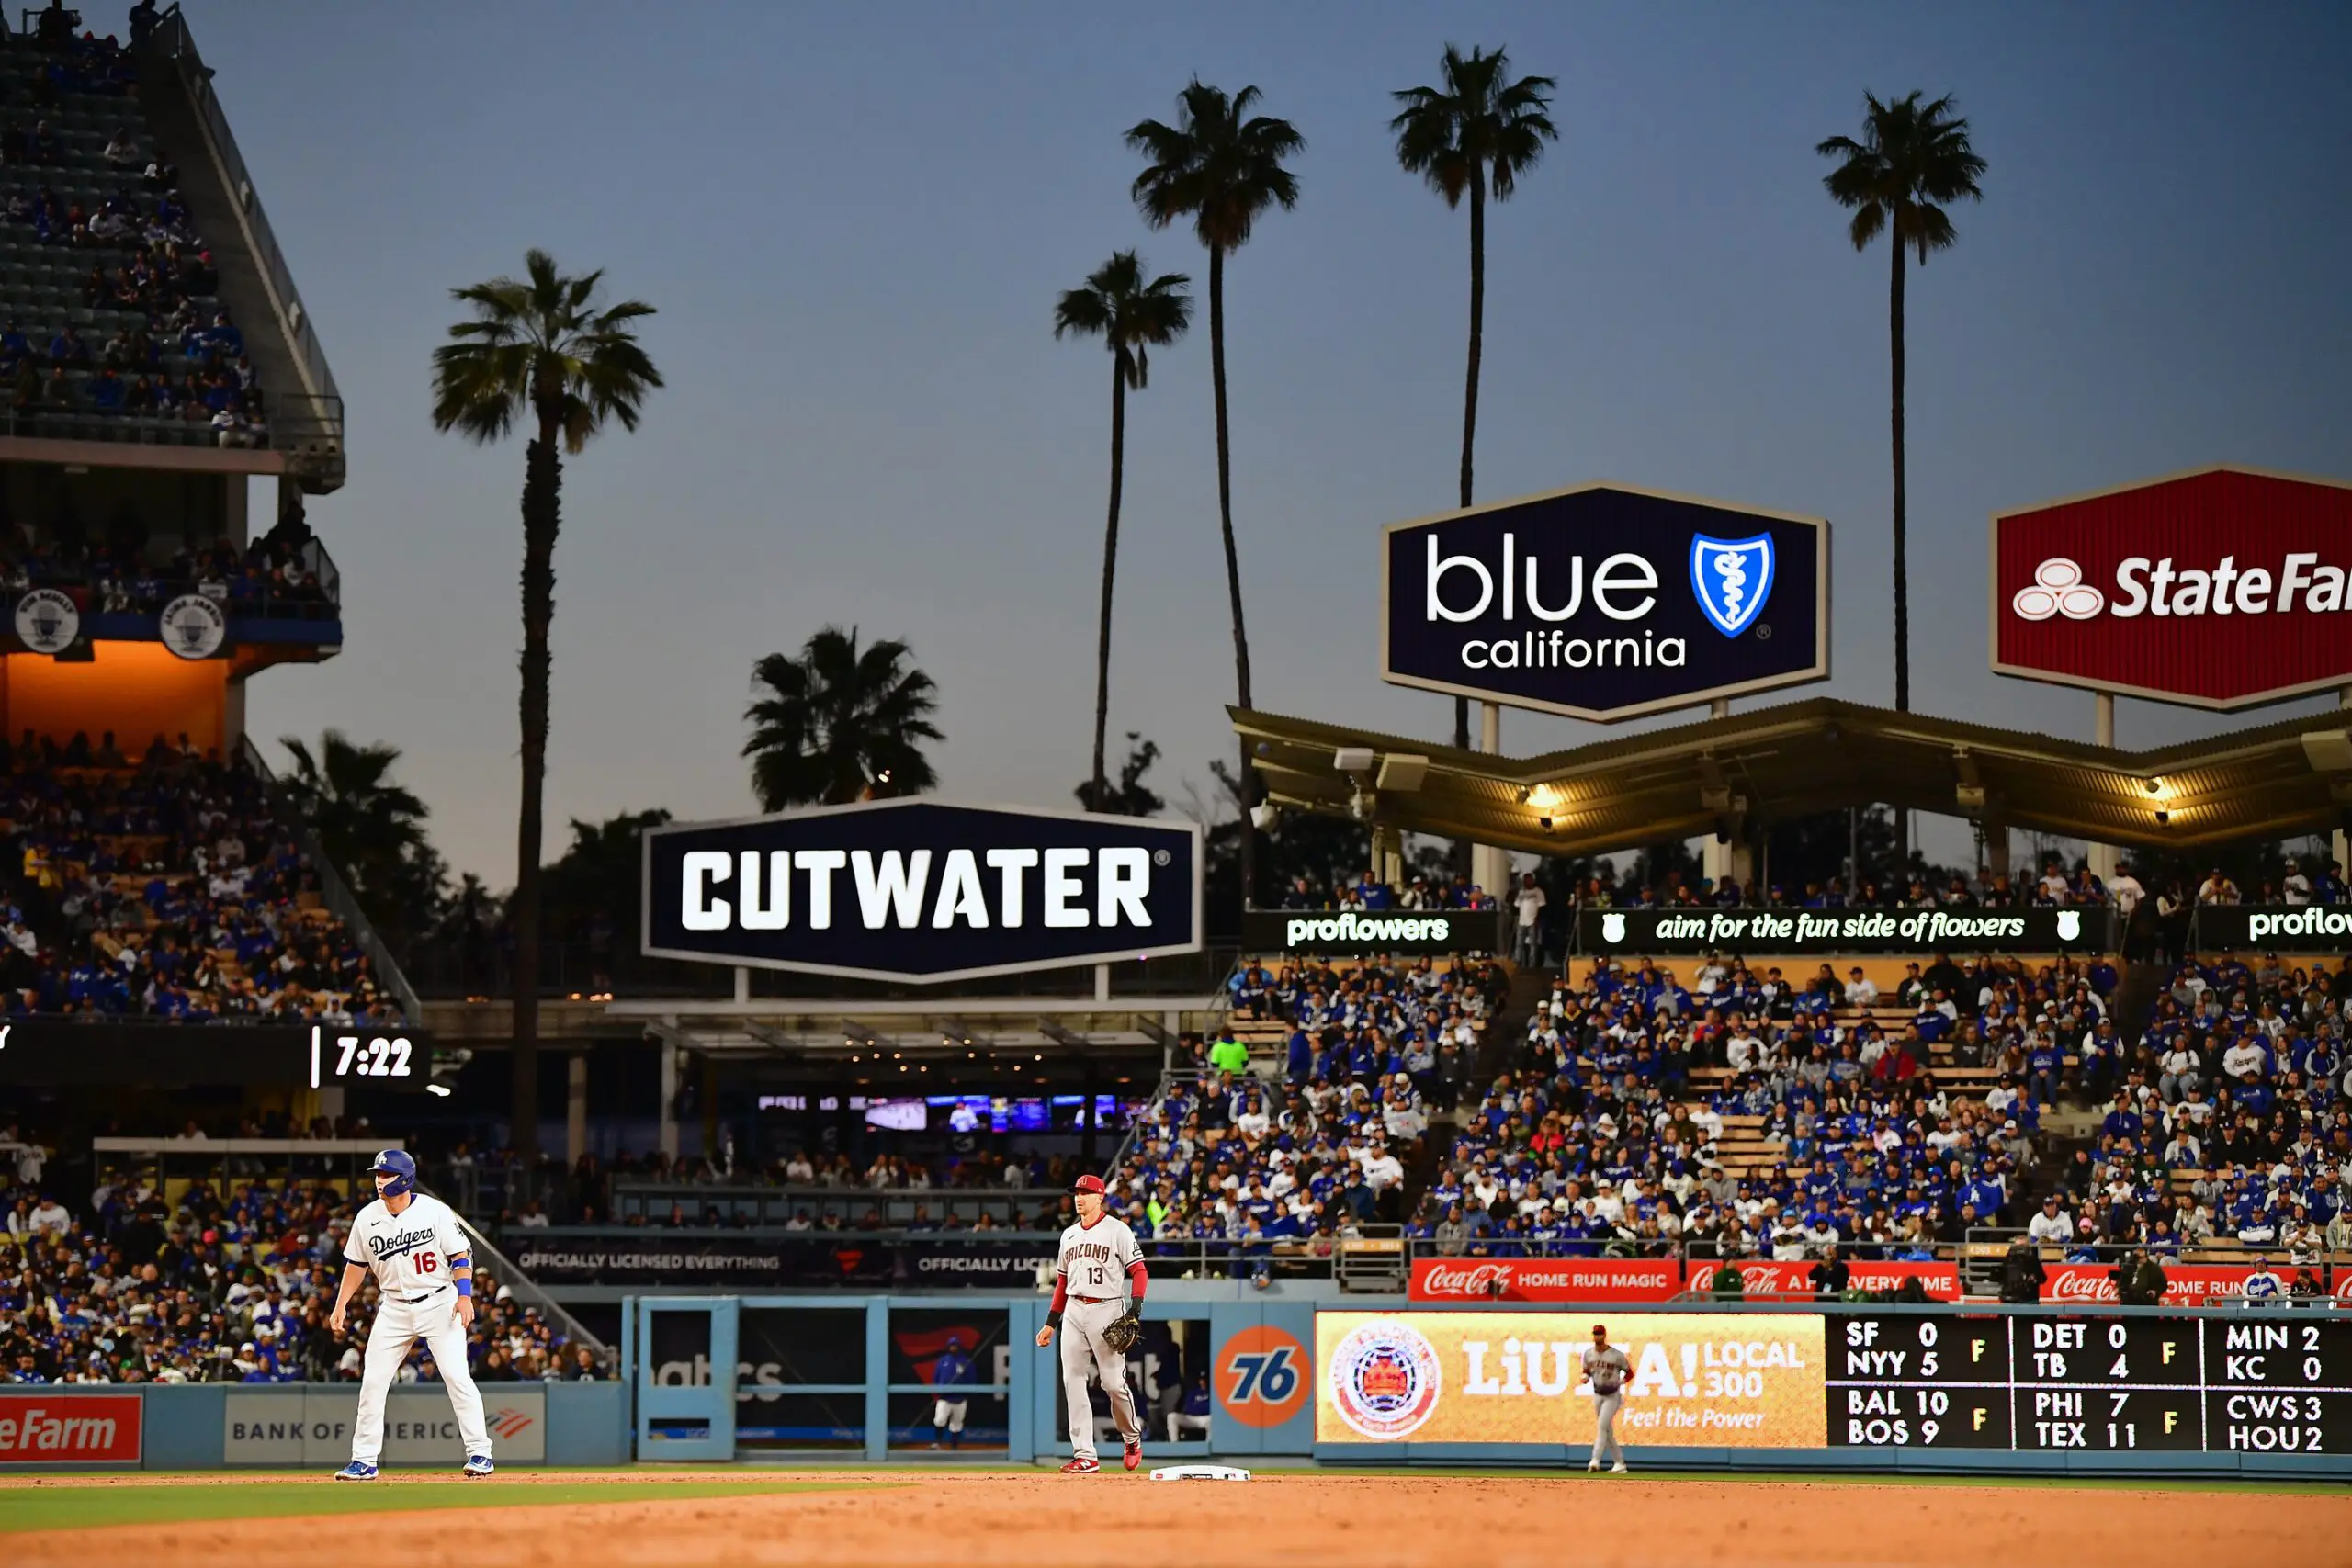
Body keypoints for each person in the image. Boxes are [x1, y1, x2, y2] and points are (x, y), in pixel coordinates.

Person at [326, 1149, 493, 1480]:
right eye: (377, 1174)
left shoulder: (434, 1212)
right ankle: (363, 1460)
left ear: (404, 1179)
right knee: (373, 1382)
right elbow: (356, 1265)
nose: (379, 1180)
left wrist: (464, 1297)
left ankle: (480, 1453)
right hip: (394, 1307)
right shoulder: (367, 1217)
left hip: (439, 1301)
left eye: (385, 1175)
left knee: (457, 1377)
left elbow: (460, 1255)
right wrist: (341, 1303)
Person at [1035, 1174, 1146, 1473]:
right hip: (1073, 1309)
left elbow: (1139, 1271)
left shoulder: (1117, 1230)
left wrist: (1134, 1309)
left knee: (1112, 1384)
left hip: (1106, 1309)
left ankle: (1132, 1437)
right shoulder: (1068, 1235)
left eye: (1085, 1192)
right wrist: (1050, 1323)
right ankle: (1085, 1455)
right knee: (1073, 1381)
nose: (1079, 1197)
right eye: (1077, 1193)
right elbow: (1061, 1282)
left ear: (1100, 1198)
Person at [1579, 1323, 1631, 1474]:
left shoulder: (1616, 1355)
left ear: (1604, 1335)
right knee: (1606, 1430)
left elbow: (1629, 1373)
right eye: (1595, 1334)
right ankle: (1619, 1463)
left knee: (1602, 1426)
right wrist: (1585, 1377)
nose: (1597, 1336)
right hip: (1598, 1394)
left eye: (1600, 1334)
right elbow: (1586, 1371)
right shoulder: (1588, 1354)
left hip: (1612, 1395)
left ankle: (1595, 1461)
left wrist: (1620, 1382)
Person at [929, 1331, 976, 1450]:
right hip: (945, 1397)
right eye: (951, 1345)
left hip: (960, 1398)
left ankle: (954, 1446)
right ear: (948, 1346)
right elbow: (936, 1377)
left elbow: (972, 1379)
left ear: (959, 1346)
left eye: (955, 1345)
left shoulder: (965, 1362)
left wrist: (966, 1392)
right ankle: (938, 1443)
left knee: (956, 1424)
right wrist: (937, 1391)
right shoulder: (943, 1360)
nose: (953, 1347)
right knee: (939, 1420)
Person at [1166, 1370, 1213, 1442]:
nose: (1202, 1382)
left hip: (1204, 1418)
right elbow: (1188, 1408)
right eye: (1201, 1380)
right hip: (1191, 1418)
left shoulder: (1211, 1392)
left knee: (1212, 1419)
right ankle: (1174, 1444)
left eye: (1204, 1380)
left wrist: (1197, 1406)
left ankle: (1209, 1444)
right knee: (1172, 1416)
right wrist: (1201, 1407)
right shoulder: (1193, 1392)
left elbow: (1211, 1408)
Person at [1512, 872, 1547, 969]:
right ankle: (1517, 963)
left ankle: (1532, 965)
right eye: (1525, 880)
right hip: (1522, 921)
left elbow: (1542, 905)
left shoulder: (1538, 891)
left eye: (1528, 880)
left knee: (1533, 944)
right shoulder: (1521, 892)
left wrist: (1537, 918)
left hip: (1532, 921)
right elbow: (1516, 905)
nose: (1526, 882)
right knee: (1519, 943)